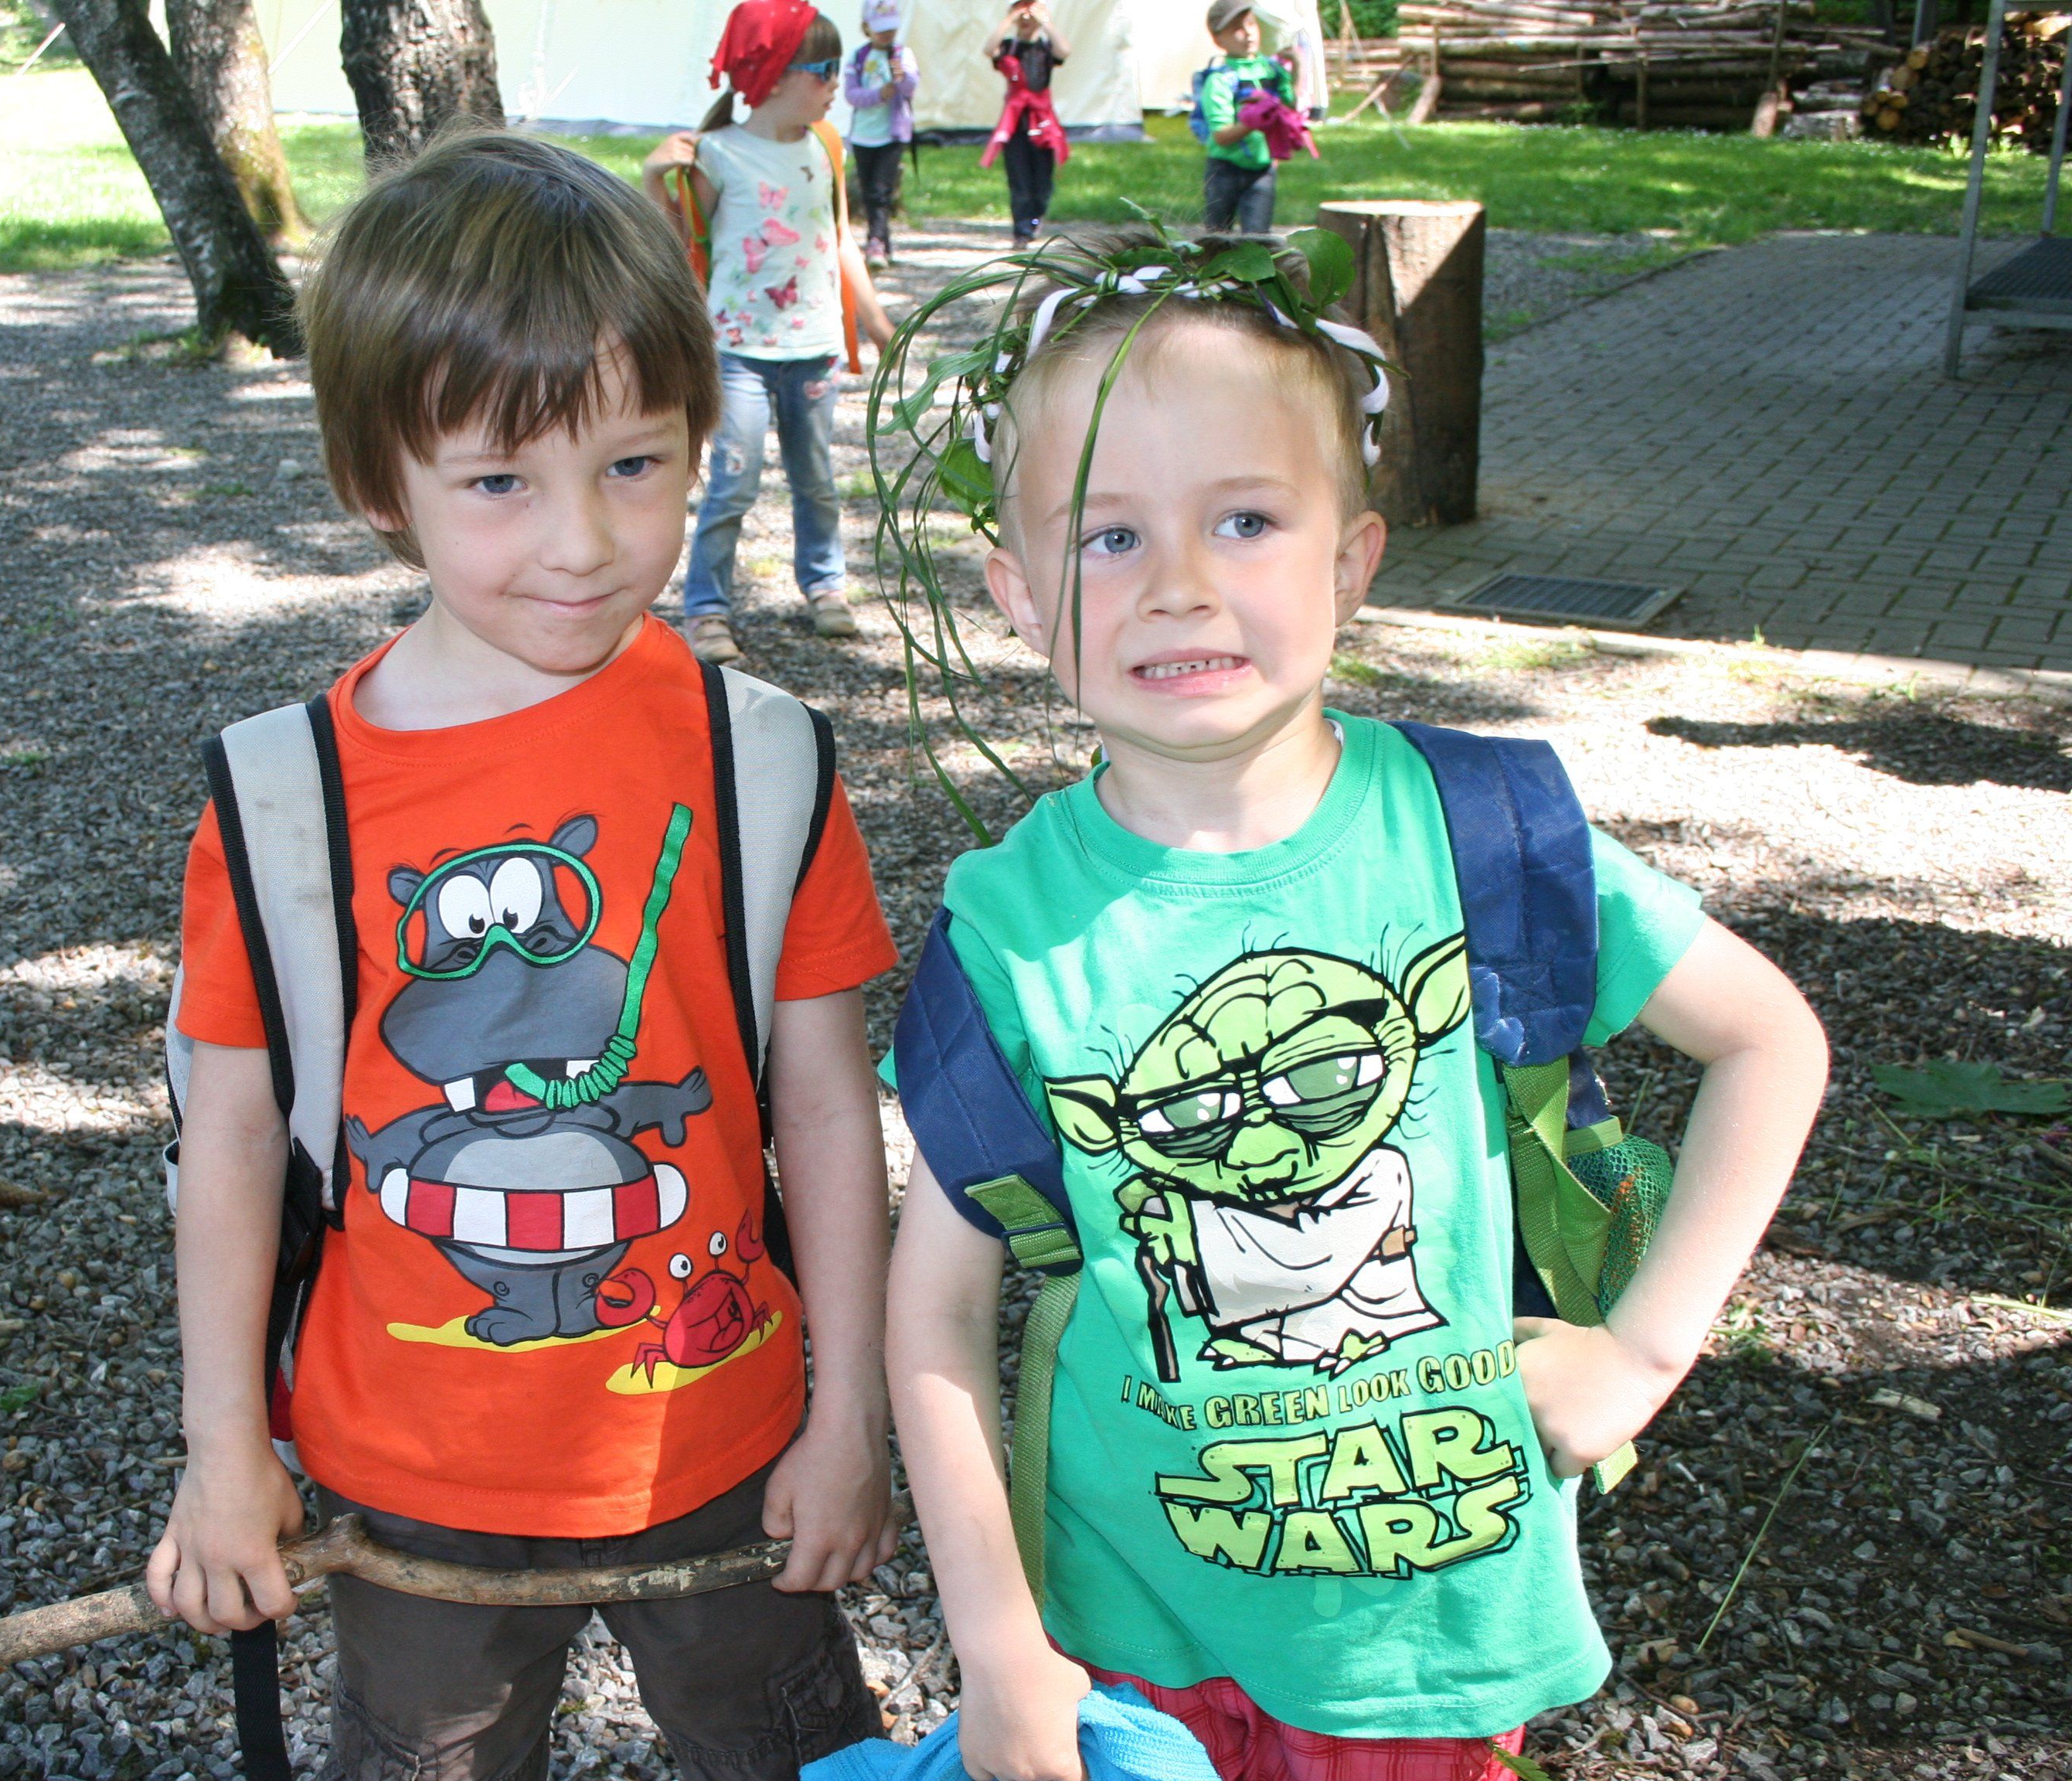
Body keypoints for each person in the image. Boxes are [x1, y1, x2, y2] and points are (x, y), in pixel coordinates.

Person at [874, 225, 1831, 1781]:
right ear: (1016, 590)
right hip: (1131, 1629)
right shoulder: (1012, 926)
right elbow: (934, 1304)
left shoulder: (1481, 837)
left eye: (1244, 519)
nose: (1178, 585)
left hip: (1427, 1643)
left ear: (1351, 563)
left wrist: (1642, 1353)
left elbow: (1769, 1037)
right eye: (1107, 536)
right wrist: (996, 1643)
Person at [148, 128, 905, 1781]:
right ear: (380, 485)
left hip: (721, 1435)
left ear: (700, 440)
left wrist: (851, 1413)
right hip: (409, 1473)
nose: (580, 540)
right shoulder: (283, 799)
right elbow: (230, 1141)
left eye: (633, 464)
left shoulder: (763, 761)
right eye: (500, 482)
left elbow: (826, 1106)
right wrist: (223, 1448)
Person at [643, 0, 896, 669]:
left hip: (813, 349)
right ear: (775, 74)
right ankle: (707, 609)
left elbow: (840, 239)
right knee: (732, 484)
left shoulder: (825, 146)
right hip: (738, 355)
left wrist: (877, 324)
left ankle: (826, 586)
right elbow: (677, 247)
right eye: (825, 68)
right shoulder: (718, 154)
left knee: (817, 480)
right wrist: (651, 179)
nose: (837, 81)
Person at [1196, 0, 1298, 233]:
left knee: (1259, 240)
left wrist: (1298, 68)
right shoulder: (1221, 80)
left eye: (1251, 24)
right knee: (1218, 239)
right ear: (1218, 39)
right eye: (1237, 29)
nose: (1248, 33)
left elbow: (1290, 107)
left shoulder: (1272, 71)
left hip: (1263, 169)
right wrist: (1253, 122)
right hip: (1224, 170)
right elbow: (1221, 136)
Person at [981, 0, 1070, 247]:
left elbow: (1064, 51)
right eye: (1022, 10)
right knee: (1019, 178)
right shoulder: (1009, 46)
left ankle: (1035, 219)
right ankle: (1021, 230)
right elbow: (989, 49)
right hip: (1015, 123)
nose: (1027, 17)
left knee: (1042, 181)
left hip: (1042, 121)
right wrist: (1010, 19)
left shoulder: (1045, 48)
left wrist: (1045, 22)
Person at [845, 2, 920, 268]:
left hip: (892, 135)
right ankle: (884, 243)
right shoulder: (858, 57)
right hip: (864, 135)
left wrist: (903, 78)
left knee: (881, 190)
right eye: (881, 30)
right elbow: (851, 94)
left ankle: (875, 241)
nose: (887, 35)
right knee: (869, 190)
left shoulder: (903, 54)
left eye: (891, 29)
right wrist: (878, 95)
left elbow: (911, 87)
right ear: (867, 28)